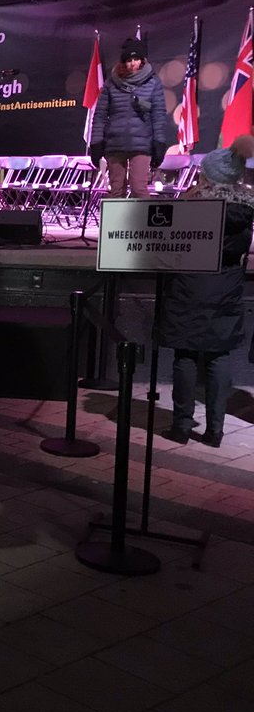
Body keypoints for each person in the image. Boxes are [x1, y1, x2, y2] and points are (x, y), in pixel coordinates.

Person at [156, 137, 254, 447]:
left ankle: (181, 426)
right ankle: (215, 431)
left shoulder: (192, 201)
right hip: (227, 285)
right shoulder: (248, 205)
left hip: (189, 284)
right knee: (218, 355)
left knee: (185, 354)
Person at [89, 37, 170, 198]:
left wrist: (159, 143)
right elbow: (100, 115)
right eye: (129, 60)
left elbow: (158, 115)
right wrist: (96, 143)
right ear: (123, 61)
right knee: (116, 190)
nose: (133, 63)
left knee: (139, 189)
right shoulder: (111, 83)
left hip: (141, 145)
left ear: (143, 60)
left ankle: (142, 223)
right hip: (115, 144)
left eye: (136, 59)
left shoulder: (153, 82)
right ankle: (116, 223)